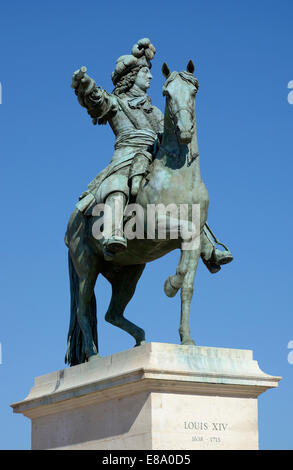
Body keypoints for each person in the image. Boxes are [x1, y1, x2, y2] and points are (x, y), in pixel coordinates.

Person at [72, 38, 232, 271]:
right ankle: (113, 232)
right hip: (127, 156)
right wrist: (86, 84)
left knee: (186, 190)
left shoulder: (156, 110)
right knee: (117, 184)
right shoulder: (117, 102)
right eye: (145, 72)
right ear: (131, 77)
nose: (150, 76)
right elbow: (98, 101)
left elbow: (166, 136)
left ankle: (208, 246)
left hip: (154, 156)